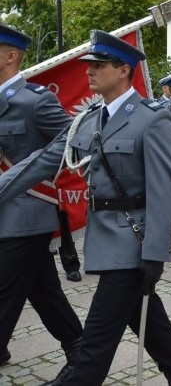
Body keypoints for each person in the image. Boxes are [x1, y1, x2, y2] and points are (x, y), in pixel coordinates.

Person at [0, 30, 171, 385]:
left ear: (123, 70)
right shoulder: (87, 119)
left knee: (96, 342)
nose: (89, 71)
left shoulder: (152, 118)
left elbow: (165, 191)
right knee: (143, 314)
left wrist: (155, 253)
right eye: (88, 64)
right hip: (103, 238)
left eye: (98, 65)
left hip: (133, 243)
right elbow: (41, 162)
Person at [0, 24, 83, 381]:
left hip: (25, 214)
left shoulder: (35, 101)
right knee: (43, 289)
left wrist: (15, 177)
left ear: (11, 56)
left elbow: (71, 141)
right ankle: (80, 350)